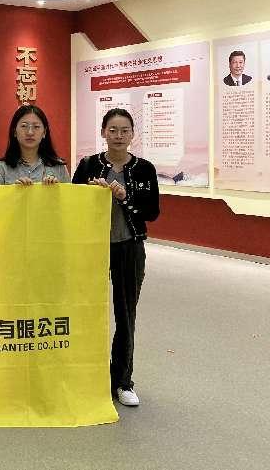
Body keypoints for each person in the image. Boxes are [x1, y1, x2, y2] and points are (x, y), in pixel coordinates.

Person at [72, 108, 159, 408]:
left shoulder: (144, 169)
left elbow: (152, 212)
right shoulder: (88, 165)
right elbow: (71, 204)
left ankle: (122, 381)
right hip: (92, 247)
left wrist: (125, 198)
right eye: (112, 130)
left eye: (124, 130)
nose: (118, 136)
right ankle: (88, 377)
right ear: (103, 133)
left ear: (133, 134)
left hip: (129, 247)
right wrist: (88, 193)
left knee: (125, 314)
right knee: (86, 311)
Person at [0, 105, 69, 185]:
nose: (30, 132)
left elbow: (68, 194)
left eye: (36, 127)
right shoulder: (0, 169)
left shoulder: (59, 168)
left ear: (44, 132)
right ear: (14, 131)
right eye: (24, 126)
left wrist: (57, 190)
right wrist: (13, 191)